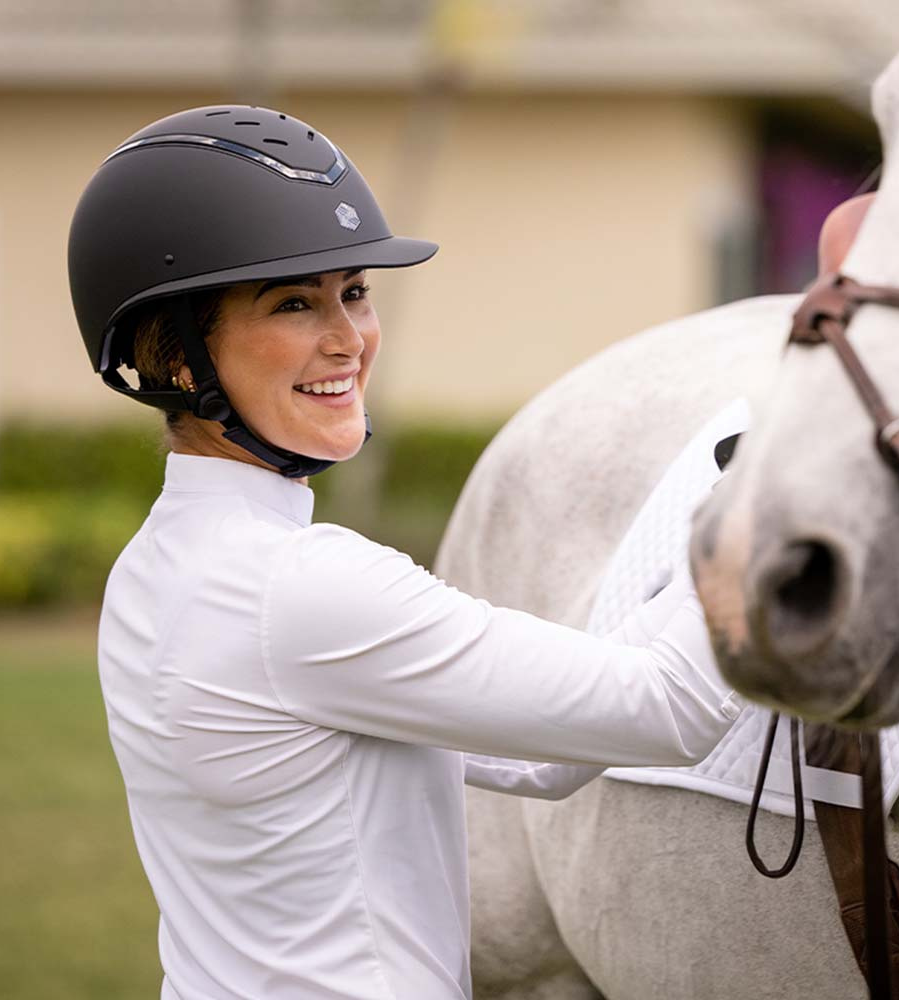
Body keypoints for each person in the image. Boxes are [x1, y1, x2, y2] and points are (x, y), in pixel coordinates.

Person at [68, 105, 741, 1000]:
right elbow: (670, 710)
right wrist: (755, 500)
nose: (348, 339)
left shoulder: (155, 568)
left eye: (354, 291)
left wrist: (661, 577)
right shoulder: (306, 587)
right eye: (294, 303)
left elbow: (539, 758)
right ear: (179, 359)